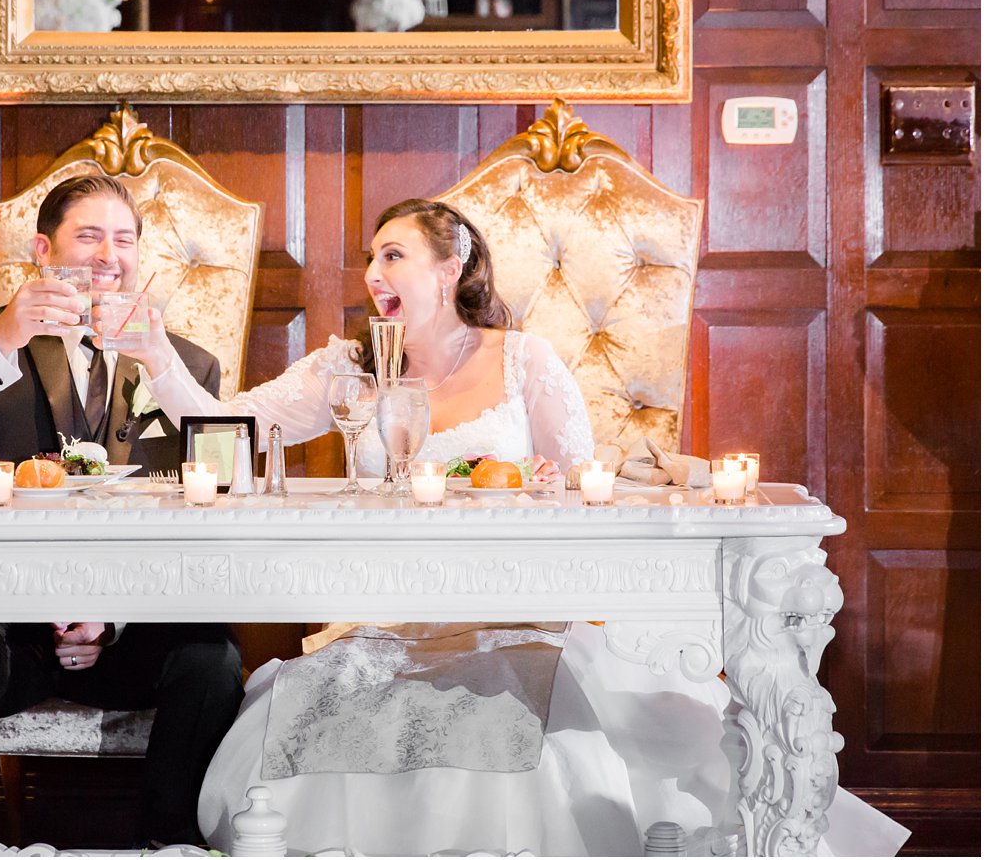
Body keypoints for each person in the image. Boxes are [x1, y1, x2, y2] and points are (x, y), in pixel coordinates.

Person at [121, 198, 908, 856]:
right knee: (325, 720)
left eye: (393, 255)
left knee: (525, 728)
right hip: (382, 619)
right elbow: (229, 426)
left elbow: (579, 492)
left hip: (516, 619)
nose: (371, 274)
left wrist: (544, 487)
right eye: (370, 258)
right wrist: (154, 352)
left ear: (449, 268)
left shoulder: (523, 361)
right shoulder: (347, 368)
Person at [0, 174, 244, 848]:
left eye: (124, 240)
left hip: (133, 626)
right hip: (6, 625)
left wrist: (162, 366)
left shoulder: (189, 362)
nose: (108, 255)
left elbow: (228, 483)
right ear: (42, 250)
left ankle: (167, 843)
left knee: (213, 662)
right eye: (89, 235)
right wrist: (4, 333)